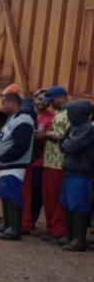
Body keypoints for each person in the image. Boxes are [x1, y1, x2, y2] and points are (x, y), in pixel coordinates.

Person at [0, 92, 35, 240]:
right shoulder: (13, 118)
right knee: (5, 195)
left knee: (13, 197)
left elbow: (21, 145)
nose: (3, 106)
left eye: (4, 103)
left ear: (12, 103)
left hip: (13, 165)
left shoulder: (24, 120)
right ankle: (7, 224)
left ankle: (15, 229)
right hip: (5, 165)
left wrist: (3, 157)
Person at [59, 100, 94, 251]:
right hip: (70, 171)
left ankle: (79, 240)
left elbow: (71, 146)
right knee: (66, 204)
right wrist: (65, 142)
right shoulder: (75, 127)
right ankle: (70, 236)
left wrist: (65, 142)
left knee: (78, 206)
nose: (68, 115)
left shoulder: (88, 129)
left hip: (81, 172)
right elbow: (63, 145)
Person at [21, 89, 53, 236]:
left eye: (45, 99)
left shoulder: (51, 118)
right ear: (34, 99)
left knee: (36, 193)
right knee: (23, 192)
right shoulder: (27, 116)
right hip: (25, 160)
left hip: (40, 161)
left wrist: (43, 136)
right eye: (39, 99)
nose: (41, 102)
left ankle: (31, 220)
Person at [40, 86, 70, 242]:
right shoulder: (59, 112)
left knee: (56, 196)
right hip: (50, 160)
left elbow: (67, 136)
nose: (50, 104)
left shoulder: (70, 114)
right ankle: (51, 226)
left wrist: (46, 135)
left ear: (60, 97)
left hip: (59, 161)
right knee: (49, 196)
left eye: (52, 100)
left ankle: (58, 229)